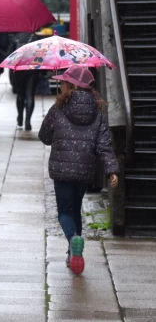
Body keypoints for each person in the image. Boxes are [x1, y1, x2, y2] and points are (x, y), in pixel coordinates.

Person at [38, 65, 119, 275]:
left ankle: (73, 240)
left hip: (62, 171)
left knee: (65, 212)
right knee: (76, 210)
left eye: (63, 82)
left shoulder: (58, 109)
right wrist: (112, 170)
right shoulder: (97, 113)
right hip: (84, 172)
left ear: (71, 86)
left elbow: (44, 137)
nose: (61, 84)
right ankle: (74, 255)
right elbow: (104, 145)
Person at [12, 32, 39, 130]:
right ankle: (28, 121)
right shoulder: (35, 37)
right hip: (32, 69)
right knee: (30, 95)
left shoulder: (16, 37)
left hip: (19, 69)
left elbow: (10, 55)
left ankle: (20, 117)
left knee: (20, 95)